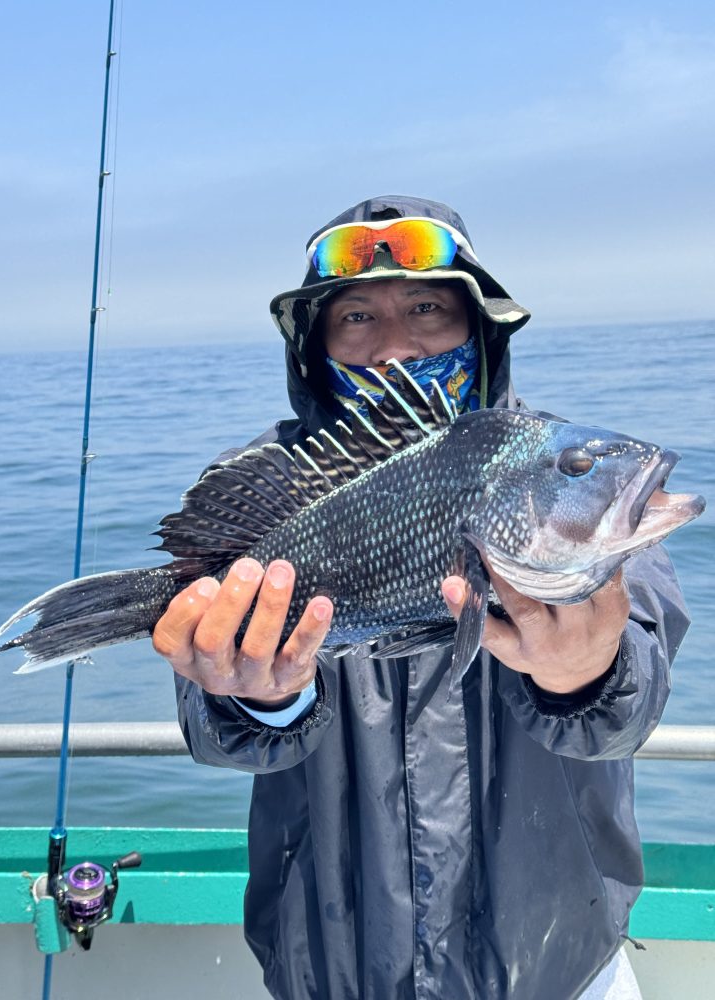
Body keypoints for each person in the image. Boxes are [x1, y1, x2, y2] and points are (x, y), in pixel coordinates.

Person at [152, 195, 689, 999]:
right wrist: (257, 702)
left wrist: (589, 675)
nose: (395, 347)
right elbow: (213, 732)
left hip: (558, 969)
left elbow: (631, 704)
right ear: (315, 345)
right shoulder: (275, 488)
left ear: (481, 329)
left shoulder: (550, 464)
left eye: (429, 308)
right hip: (330, 971)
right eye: (357, 316)